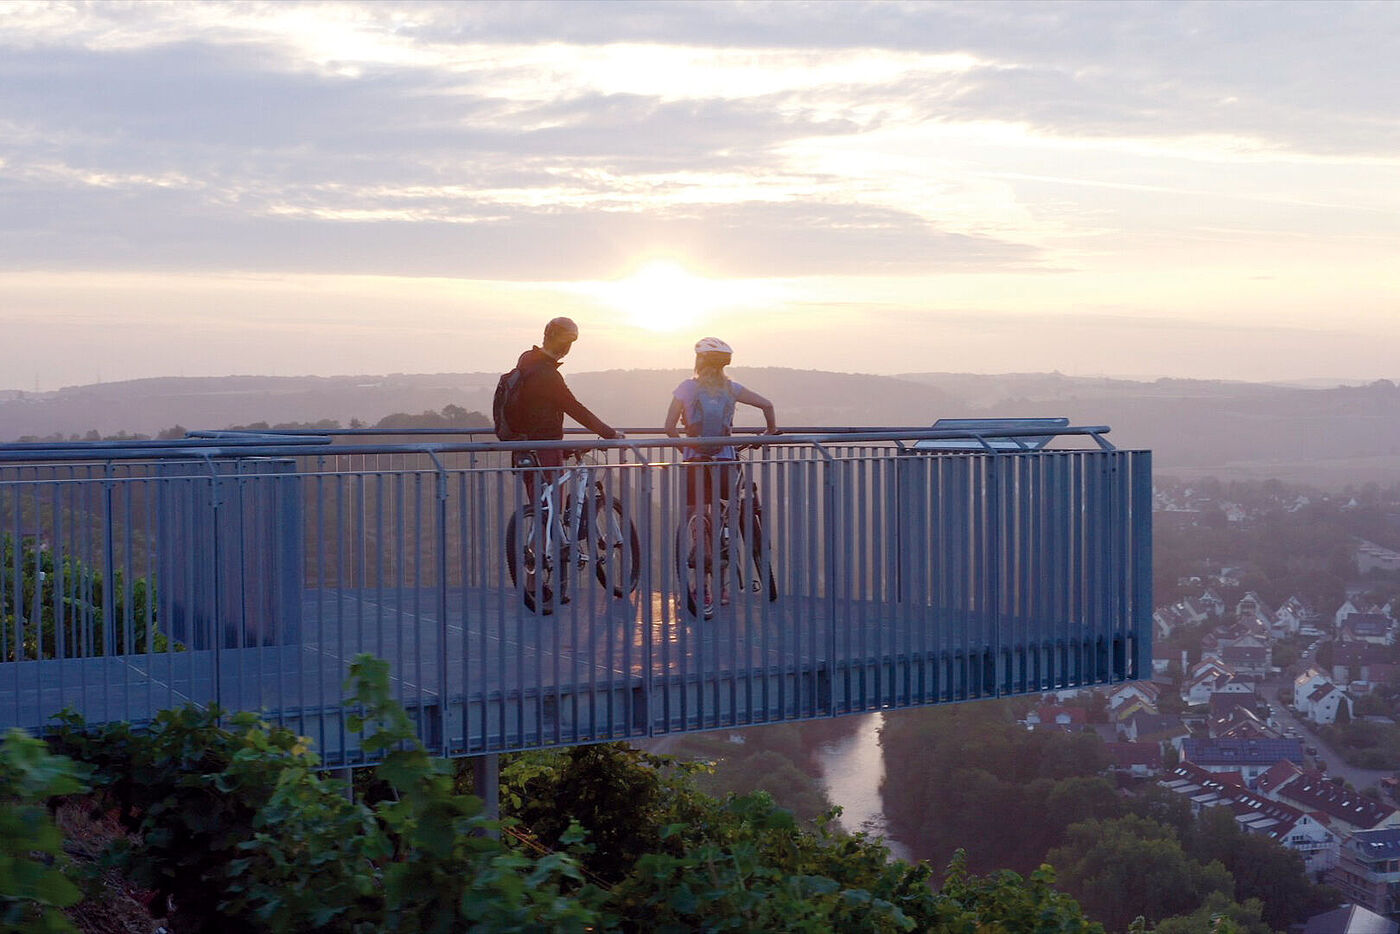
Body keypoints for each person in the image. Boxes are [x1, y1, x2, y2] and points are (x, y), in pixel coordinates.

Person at [664, 337, 777, 606]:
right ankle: (723, 589)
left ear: (698, 361)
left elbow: (669, 427)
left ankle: (699, 590)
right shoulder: (731, 388)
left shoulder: (686, 388)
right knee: (724, 524)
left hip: (695, 463)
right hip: (726, 462)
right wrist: (769, 432)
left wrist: (688, 449)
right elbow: (768, 405)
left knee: (699, 524)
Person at [510, 317, 624, 492]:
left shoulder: (527, 359)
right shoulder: (548, 375)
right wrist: (609, 433)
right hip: (545, 448)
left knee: (540, 506)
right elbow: (575, 408)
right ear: (565, 346)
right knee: (553, 508)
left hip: (524, 447)